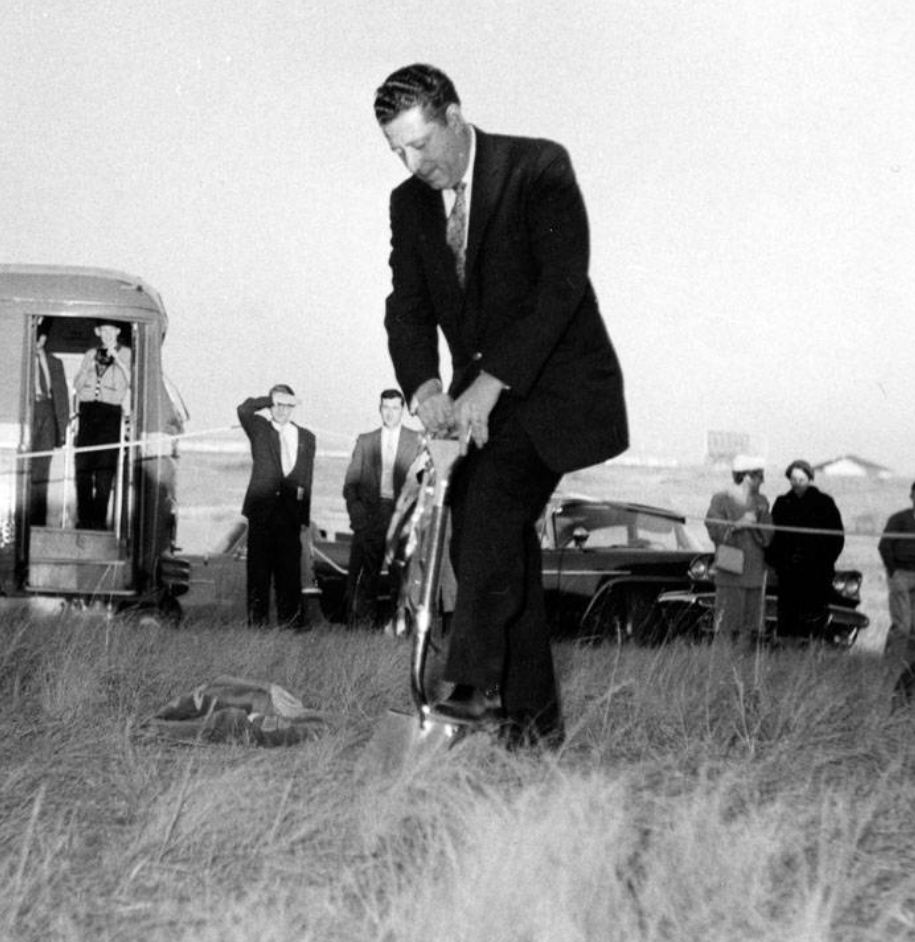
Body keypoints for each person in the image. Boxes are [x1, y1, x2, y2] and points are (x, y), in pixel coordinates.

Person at [373, 64, 628, 746]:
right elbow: (407, 306)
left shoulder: (536, 167)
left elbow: (560, 286)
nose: (411, 162)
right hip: (480, 400)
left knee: (488, 512)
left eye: (421, 143)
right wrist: (425, 385)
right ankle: (534, 736)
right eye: (397, 149)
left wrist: (488, 384)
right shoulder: (409, 204)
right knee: (497, 549)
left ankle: (465, 689)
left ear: (454, 118)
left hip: (557, 389)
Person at [237, 385, 316, 629]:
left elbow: (306, 479)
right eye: (277, 404)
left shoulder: (307, 437)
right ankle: (257, 632)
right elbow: (244, 409)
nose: (282, 410)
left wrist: (303, 519)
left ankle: (291, 630)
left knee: (289, 579)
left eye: (287, 404)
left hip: (290, 519)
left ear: (293, 406)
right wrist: (269, 399)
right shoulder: (259, 428)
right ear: (272, 405)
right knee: (258, 579)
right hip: (262, 516)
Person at [343, 389, 423, 626]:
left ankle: (397, 626)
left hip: (402, 514)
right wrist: (358, 516)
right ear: (380, 409)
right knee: (369, 573)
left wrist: (413, 517)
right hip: (372, 514)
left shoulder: (417, 440)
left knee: (401, 573)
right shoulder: (366, 441)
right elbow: (350, 485)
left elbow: (423, 481)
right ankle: (364, 627)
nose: (390, 413)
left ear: (403, 410)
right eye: (385, 408)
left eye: (395, 408)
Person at [766, 459, 844, 642]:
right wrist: (780, 562)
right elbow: (772, 536)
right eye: (793, 479)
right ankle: (787, 656)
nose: (797, 483)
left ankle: (811, 657)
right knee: (788, 619)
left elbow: (836, 538)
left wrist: (822, 562)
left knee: (813, 619)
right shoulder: (782, 503)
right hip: (789, 573)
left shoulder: (825, 503)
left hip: (816, 574)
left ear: (810, 479)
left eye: (801, 479)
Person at [705, 455, 773, 651]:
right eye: (760, 476)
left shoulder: (762, 501)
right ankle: (722, 666)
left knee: (751, 626)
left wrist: (758, 525)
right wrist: (737, 524)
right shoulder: (721, 499)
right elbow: (713, 527)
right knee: (727, 625)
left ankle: (745, 666)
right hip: (730, 569)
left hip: (754, 572)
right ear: (747, 477)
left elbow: (768, 534)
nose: (763, 481)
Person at [72, 318, 132, 530]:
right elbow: (77, 386)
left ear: (117, 331)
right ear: (98, 332)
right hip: (88, 413)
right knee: (83, 467)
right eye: (103, 330)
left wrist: (118, 360)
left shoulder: (126, 353)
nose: (107, 334)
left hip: (110, 415)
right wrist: (87, 367)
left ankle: (98, 520)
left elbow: (133, 381)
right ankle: (84, 518)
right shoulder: (90, 354)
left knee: (105, 469)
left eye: (111, 330)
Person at [29, 318, 70, 527]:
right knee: (22, 469)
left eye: (42, 337)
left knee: (41, 472)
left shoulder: (55, 363)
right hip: (26, 413)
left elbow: (62, 398)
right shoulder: (18, 359)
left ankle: (36, 523)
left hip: (47, 414)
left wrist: (62, 430)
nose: (38, 341)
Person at [878, 480, 915, 661]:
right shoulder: (899, 519)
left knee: (913, 626)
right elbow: (884, 545)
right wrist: (892, 571)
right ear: (912, 496)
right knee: (902, 625)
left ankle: (905, 667)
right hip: (900, 573)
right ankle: (891, 662)